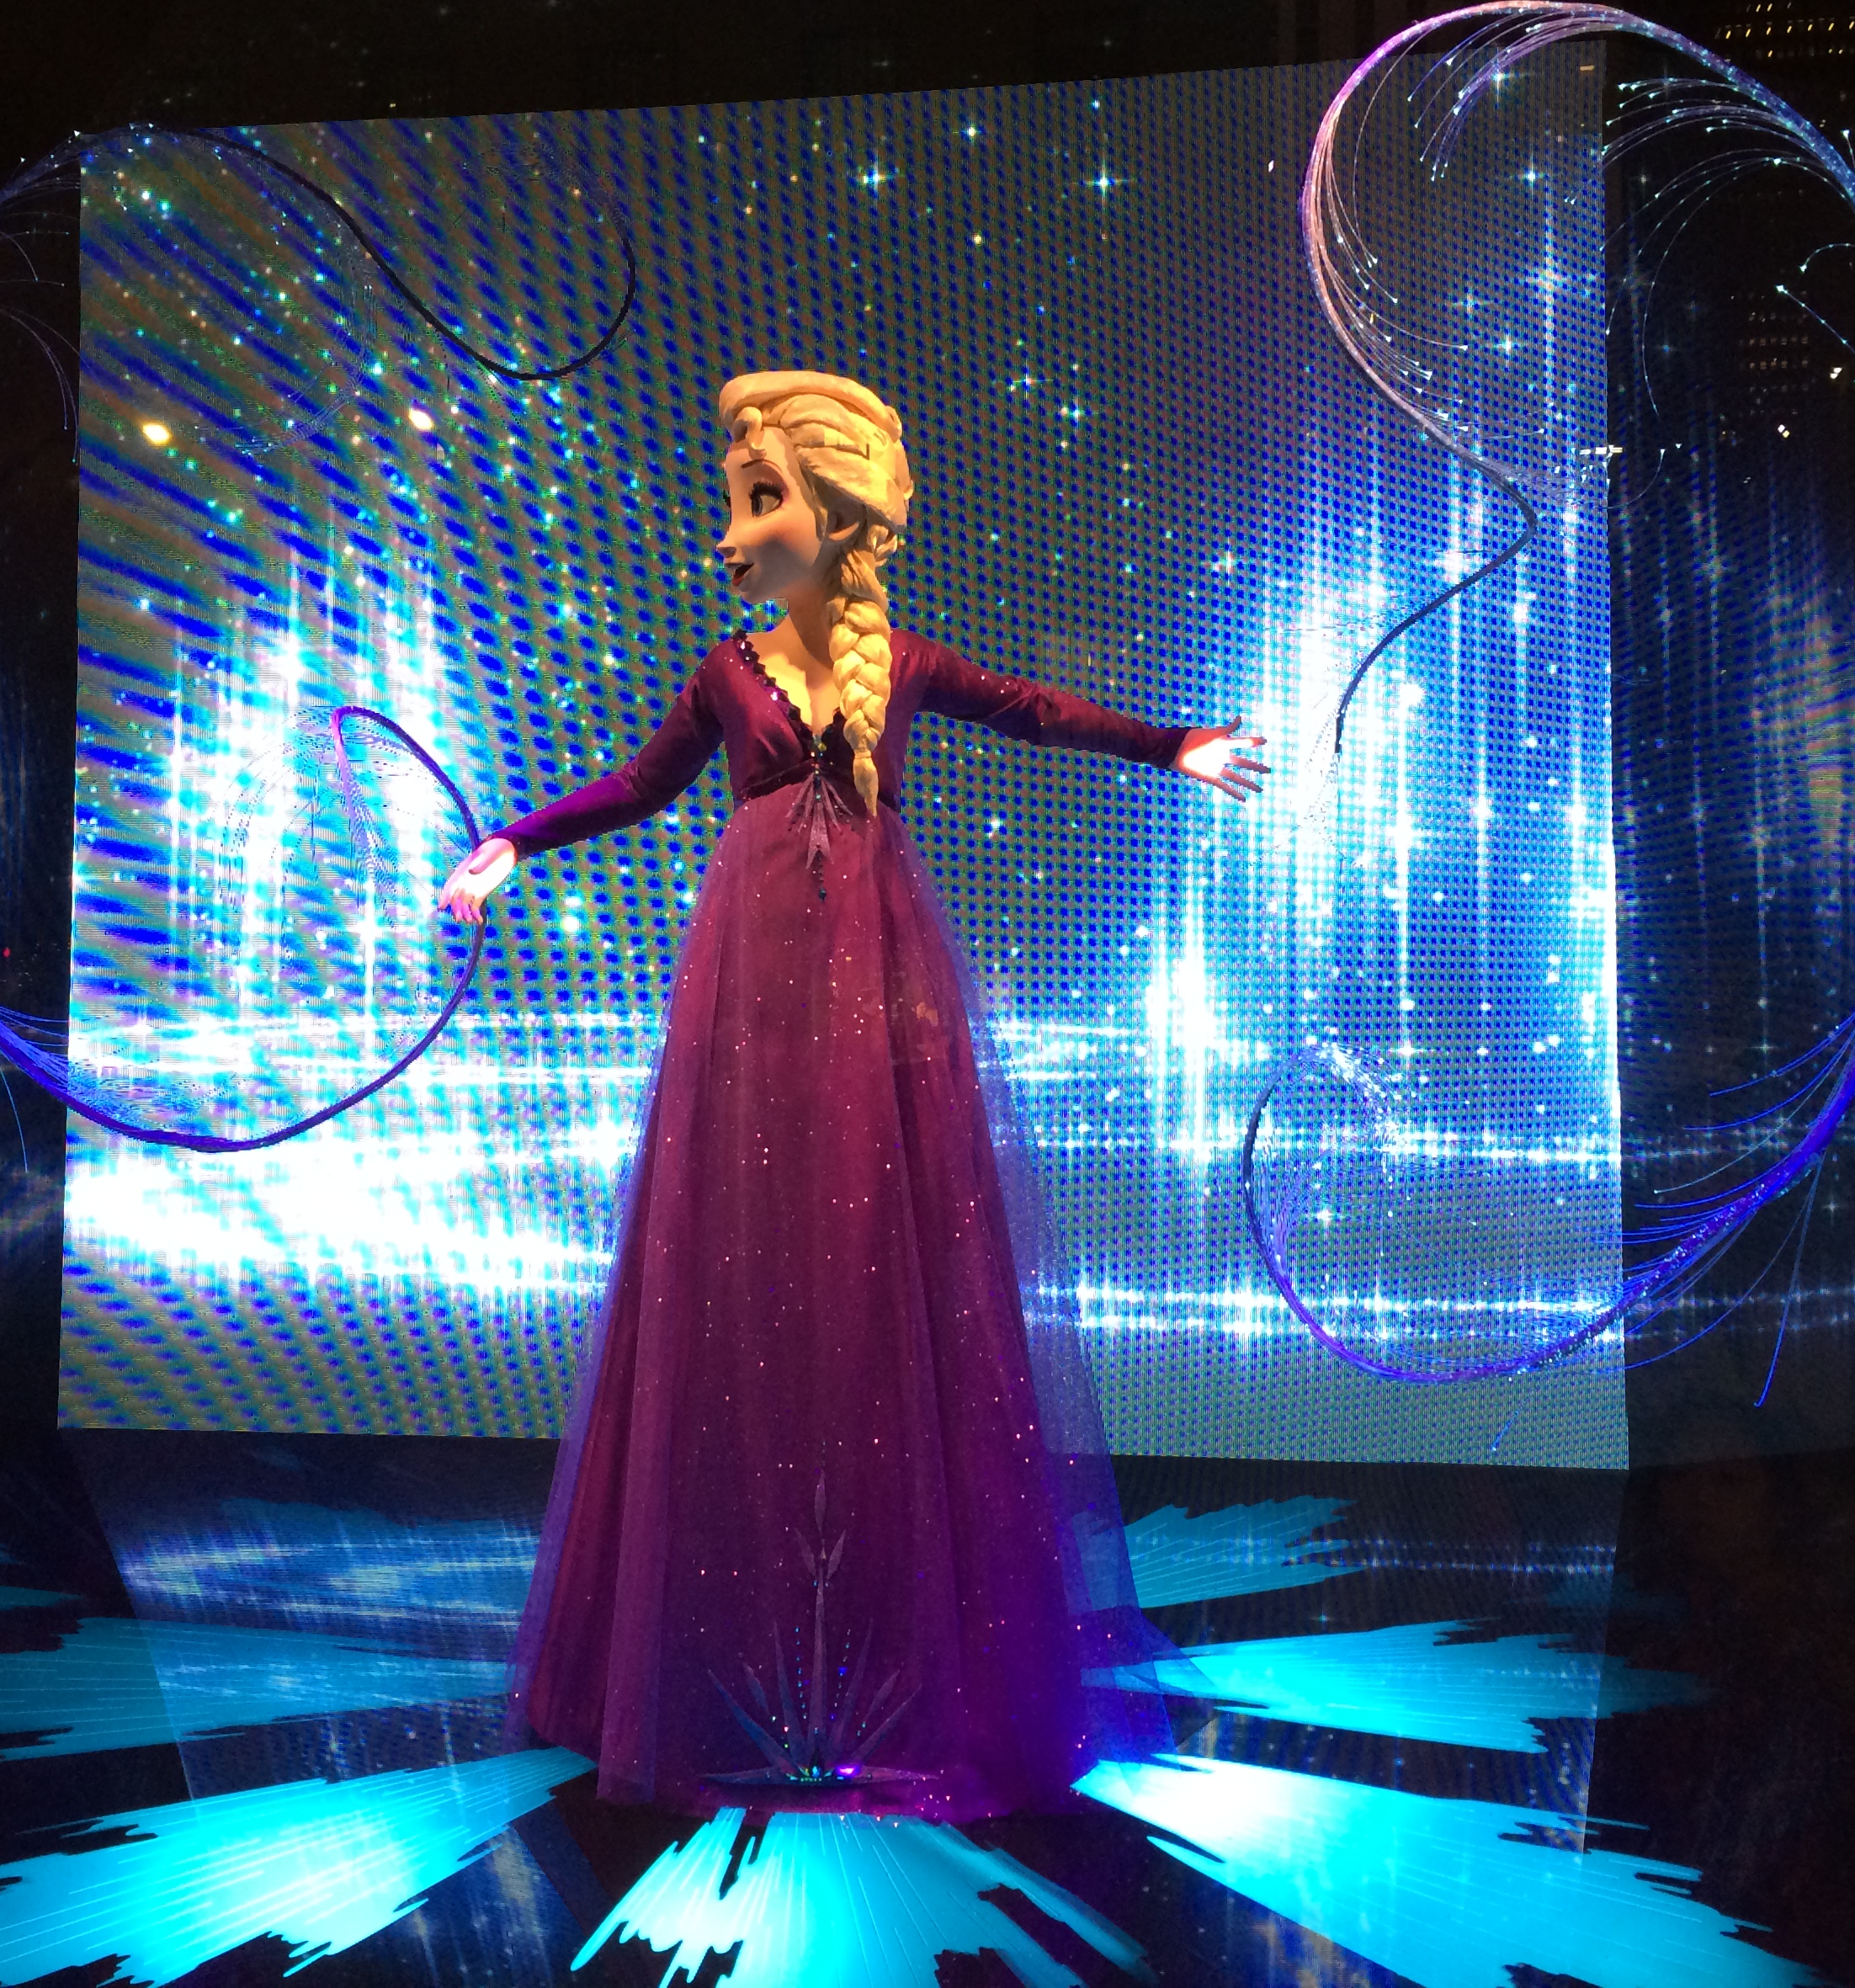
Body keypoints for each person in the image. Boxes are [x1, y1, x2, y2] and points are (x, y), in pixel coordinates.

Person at [439, 369, 1265, 1819]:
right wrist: (519, 837)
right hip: (752, 997)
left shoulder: (908, 666)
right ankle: (721, 1639)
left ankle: (893, 1627)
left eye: (760, 502)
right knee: (742, 1265)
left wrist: (1171, 744)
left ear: (833, 518)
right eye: (739, 502)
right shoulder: (726, 676)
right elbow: (642, 785)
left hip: (876, 995)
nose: (731, 534)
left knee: (885, 1260)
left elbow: (1032, 709)